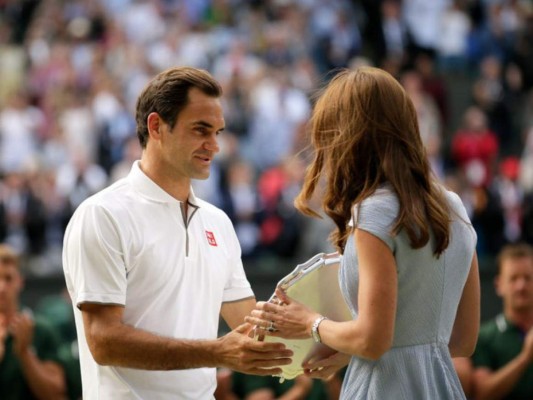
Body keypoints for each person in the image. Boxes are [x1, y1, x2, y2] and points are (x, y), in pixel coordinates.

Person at [246, 66, 480, 399]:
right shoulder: (454, 205)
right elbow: (462, 341)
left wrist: (309, 323)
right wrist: (348, 348)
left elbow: (373, 340)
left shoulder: (373, 210)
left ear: (347, 135)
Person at [61, 66, 292, 399]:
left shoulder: (218, 223)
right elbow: (104, 341)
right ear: (156, 126)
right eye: (201, 130)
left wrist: (324, 339)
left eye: (217, 132)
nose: (214, 145)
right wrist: (215, 352)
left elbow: (251, 328)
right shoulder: (102, 215)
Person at [0, 243, 66, 400]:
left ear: (20, 281)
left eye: (8, 278)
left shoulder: (41, 329)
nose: (1, 287)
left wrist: (25, 353)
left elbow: (56, 393)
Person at [471, 243, 533, 400]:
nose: (521, 286)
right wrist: (525, 357)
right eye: (513, 278)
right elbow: (482, 393)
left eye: (527, 278)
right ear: (499, 285)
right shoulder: (484, 337)